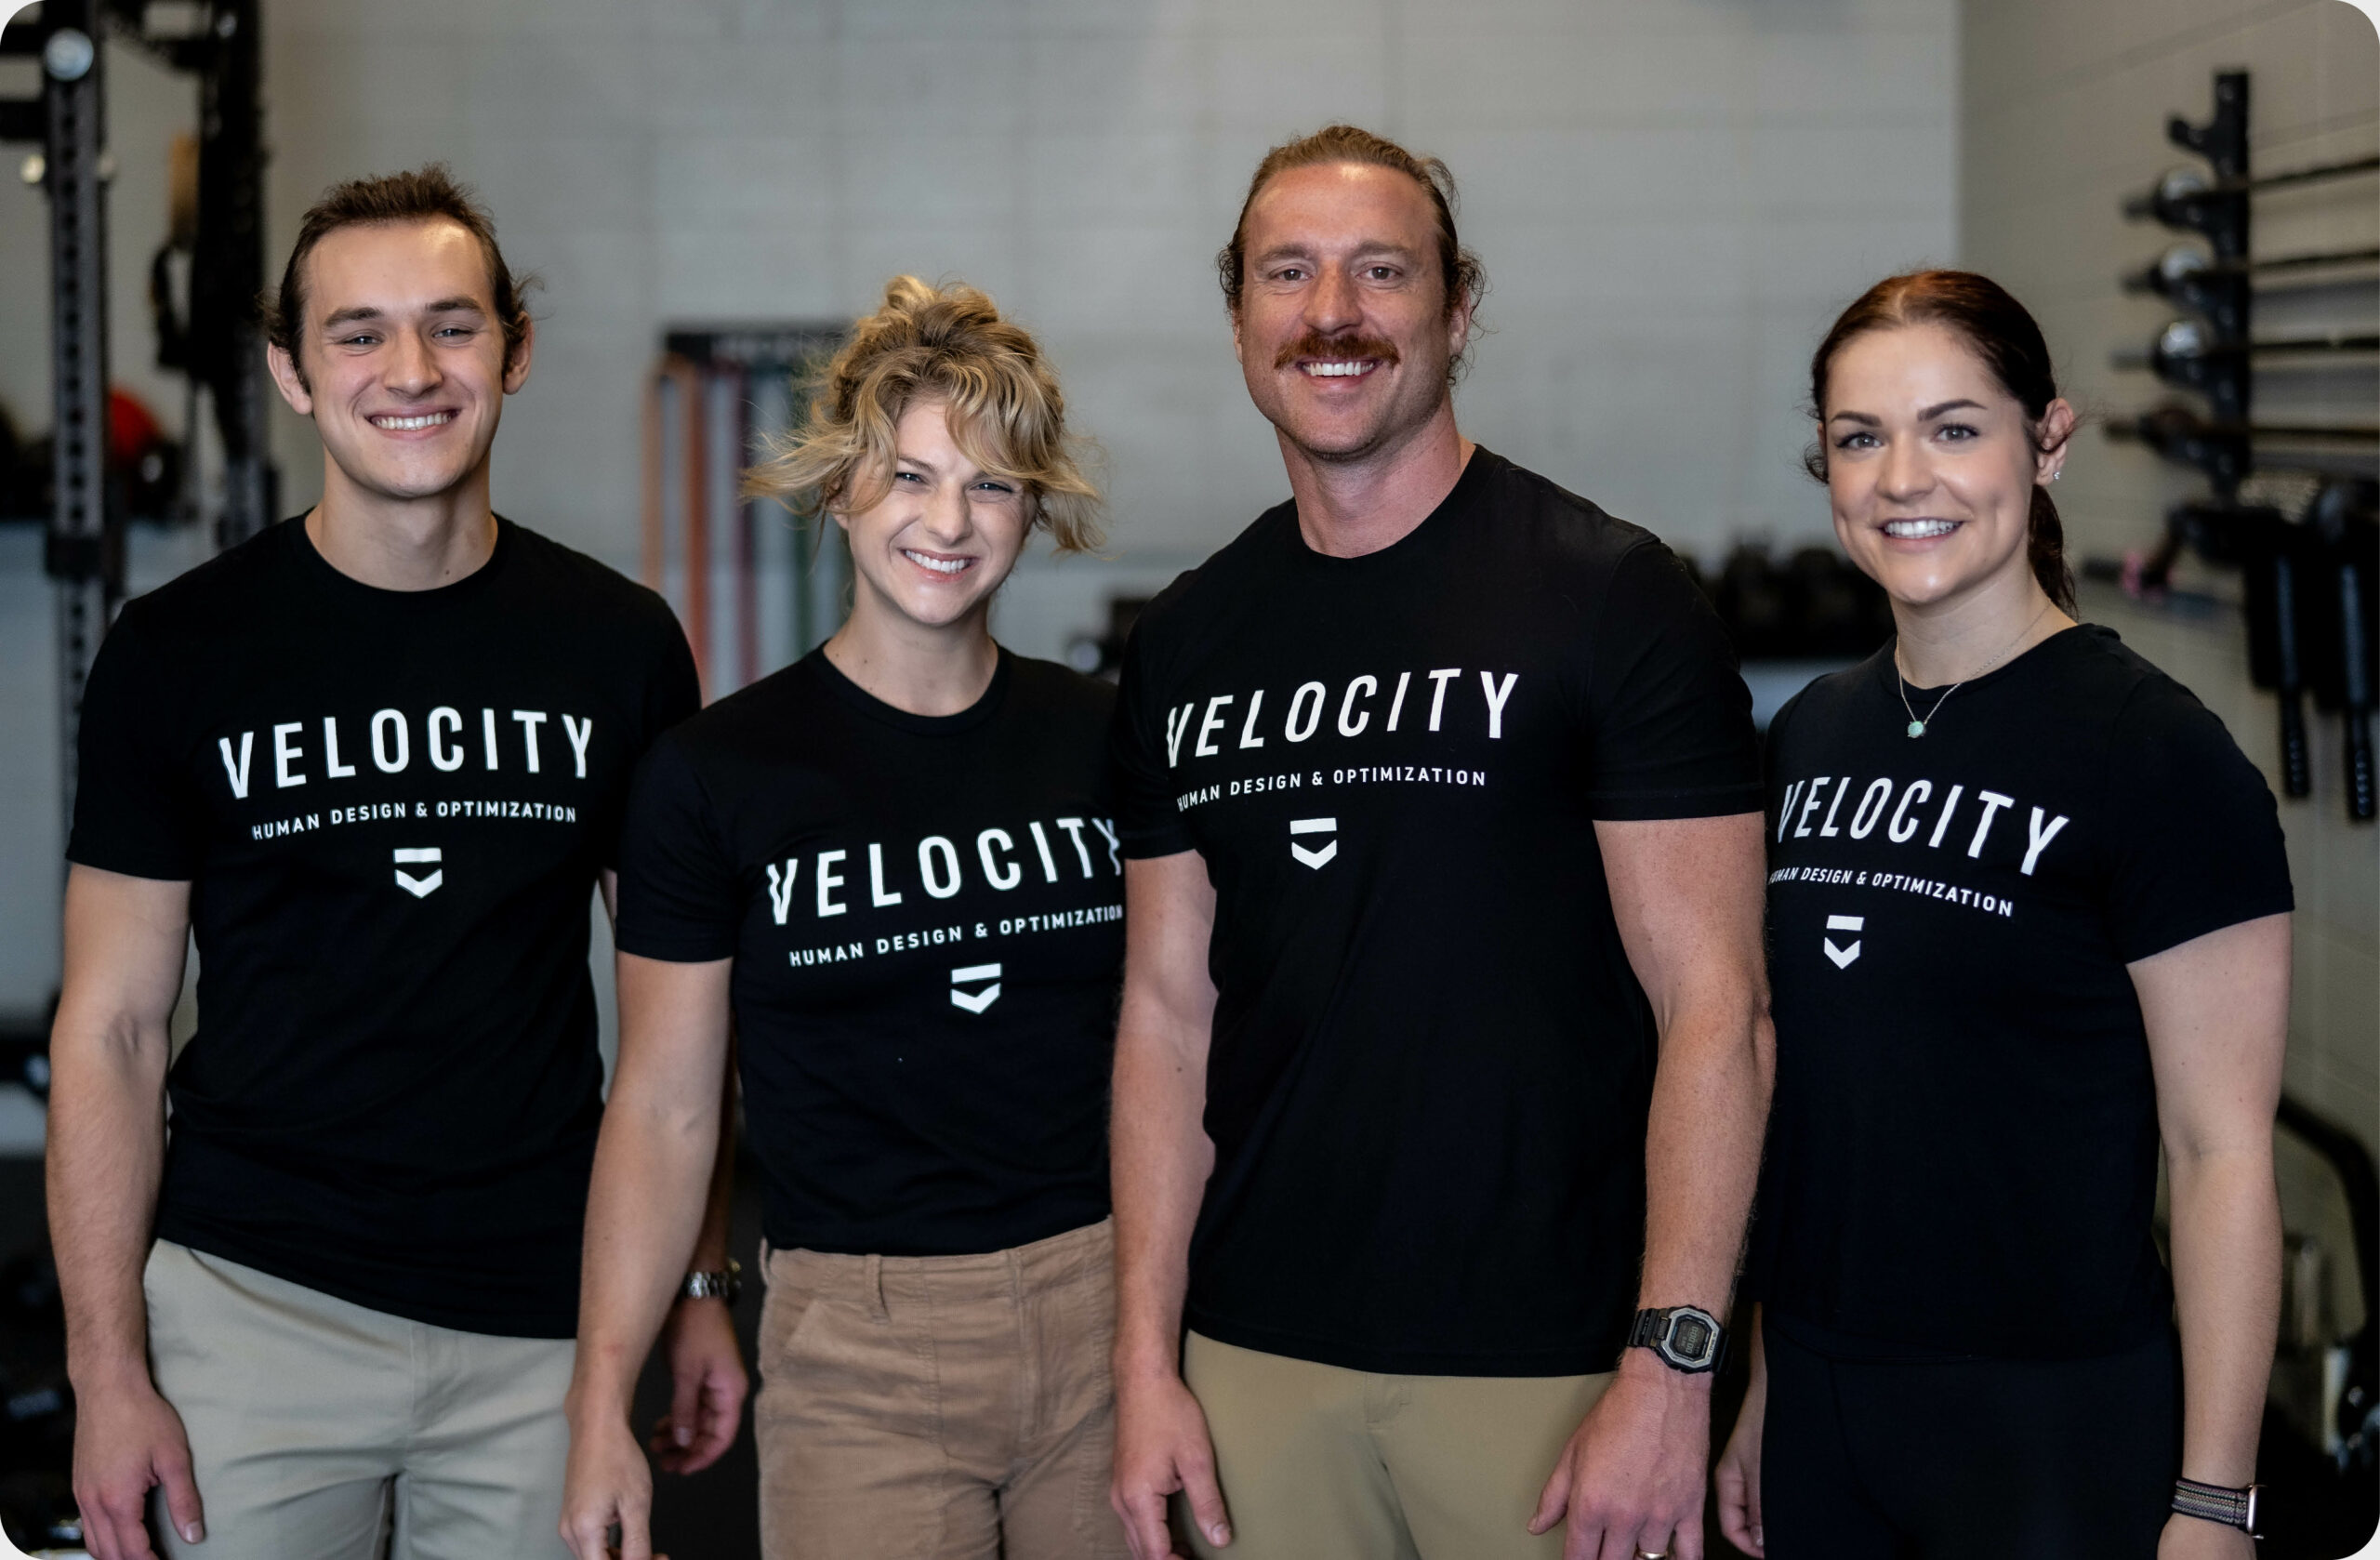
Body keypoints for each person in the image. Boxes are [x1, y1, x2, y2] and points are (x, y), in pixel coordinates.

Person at [47, 165, 743, 1560]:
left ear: (515, 351)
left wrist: (701, 1280)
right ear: (292, 375)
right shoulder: (176, 651)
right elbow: (112, 1026)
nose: (409, 369)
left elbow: (684, 1027)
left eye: (452, 325)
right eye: (357, 332)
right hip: (252, 1303)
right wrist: (106, 1371)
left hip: (546, 1316)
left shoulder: (618, 645)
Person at [1104, 125, 1773, 1560]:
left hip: (1552, 1368)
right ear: (1239, 316)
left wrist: (1673, 1363)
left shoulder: (1609, 596)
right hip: (1254, 1359)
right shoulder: (1188, 637)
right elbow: (1167, 1016)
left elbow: (1717, 1008)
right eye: (1289, 272)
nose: (1331, 312)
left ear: (1456, 310)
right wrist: (1143, 1358)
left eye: (1380, 271)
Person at [1712, 271, 2293, 1560]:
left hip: (2051, 1423)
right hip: (1825, 1395)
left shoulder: (2157, 758)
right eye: (1861, 438)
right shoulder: (1810, 733)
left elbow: (2221, 1153)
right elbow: (1809, 1102)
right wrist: (1767, 1384)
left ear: (2050, 442)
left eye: (1955, 428)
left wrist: (2215, 1499)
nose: (1903, 477)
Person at [560, 276, 1131, 1560]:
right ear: (839, 489)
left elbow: (1183, 1032)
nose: (949, 518)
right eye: (909, 475)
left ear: (1033, 507)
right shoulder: (716, 775)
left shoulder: (1103, 741)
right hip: (857, 1344)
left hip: (1105, 1310)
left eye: (990, 483)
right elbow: (663, 1102)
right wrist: (603, 1397)